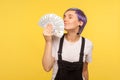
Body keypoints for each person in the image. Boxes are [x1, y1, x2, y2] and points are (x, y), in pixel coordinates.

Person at [42, 8, 93, 80]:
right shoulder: (56, 39)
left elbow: (84, 71)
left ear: (80, 22)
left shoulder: (87, 44)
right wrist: (48, 41)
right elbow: (47, 68)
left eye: (70, 17)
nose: (65, 19)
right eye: (64, 16)